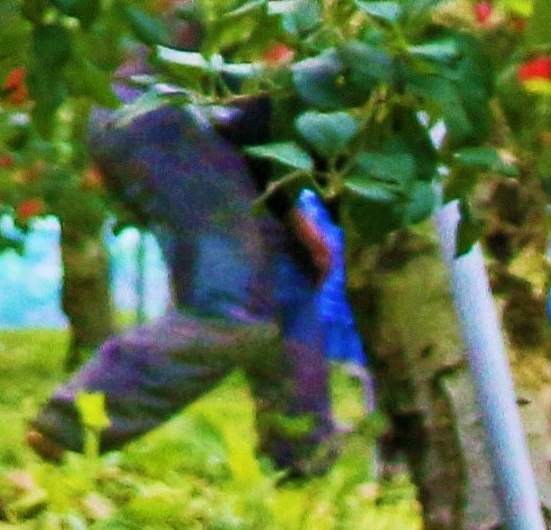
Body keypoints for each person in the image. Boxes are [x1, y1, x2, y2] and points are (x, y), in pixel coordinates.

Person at [25, 69, 335, 476]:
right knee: (230, 310)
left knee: (284, 282)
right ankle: (76, 418)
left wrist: (294, 225)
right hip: (168, 115)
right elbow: (255, 127)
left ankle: (301, 458)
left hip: (168, 113)